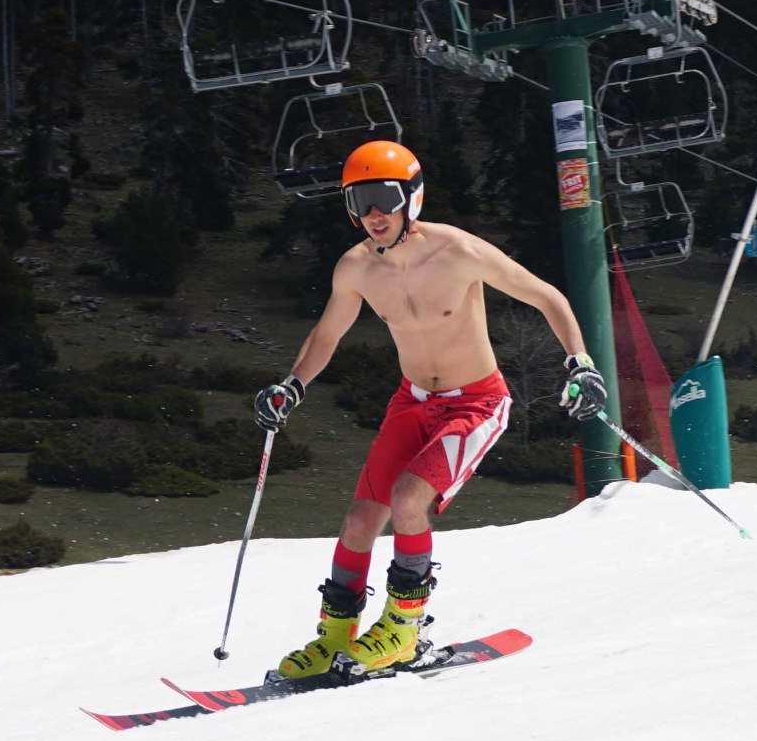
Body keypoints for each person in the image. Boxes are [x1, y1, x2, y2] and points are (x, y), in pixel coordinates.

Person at [253, 140, 606, 682]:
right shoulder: (355, 269)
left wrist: (580, 363)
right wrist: (290, 387)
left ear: (411, 197)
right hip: (411, 402)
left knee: (408, 500)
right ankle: (334, 638)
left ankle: (403, 628)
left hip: (476, 403)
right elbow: (326, 335)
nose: (373, 213)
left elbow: (546, 296)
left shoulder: (458, 251)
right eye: (360, 199)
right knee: (359, 519)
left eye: (384, 197)